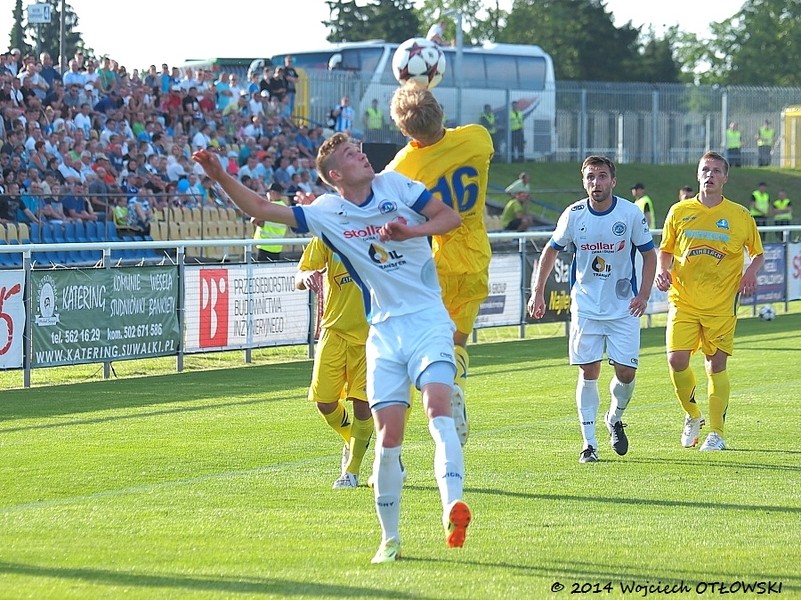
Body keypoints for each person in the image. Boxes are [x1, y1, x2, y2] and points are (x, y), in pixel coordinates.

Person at [194, 132, 470, 564]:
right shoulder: (327, 212)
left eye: (359, 149)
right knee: (388, 437)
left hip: (428, 320)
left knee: (437, 408)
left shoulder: (396, 185)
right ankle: (390, 540)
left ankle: (452, 506)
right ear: (336, 175)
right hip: (384, 332)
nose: (362, 155)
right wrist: (219, 176)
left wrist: (411, 232)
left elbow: (450, 218)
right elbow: (262, 209)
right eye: (350, 154)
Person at [527, 155, 656, 463]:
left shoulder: (630, 213)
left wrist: (643, 295)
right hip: (586, 306)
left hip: (624, 307)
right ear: (584, 181)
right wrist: (537, 292)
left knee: (626, 373)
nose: (596, 183)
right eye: (590, 177)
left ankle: (614, 417)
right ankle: (589, 444)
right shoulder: (574, 214)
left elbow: (650, 255)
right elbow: (550, 251)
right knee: (589, 370)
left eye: (602, 176)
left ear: (613, 181)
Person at [387, 83, 494, 447]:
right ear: (441, 110)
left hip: (438, 262)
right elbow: (456, 140)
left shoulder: (404, 166)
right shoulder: (477, 138)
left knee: (423, 345)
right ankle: (455, 384)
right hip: (476, 254)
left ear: (404, 130)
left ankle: (433, 399)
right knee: (458, 340)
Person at [656, 151, 764, 452]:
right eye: (705, 170)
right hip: (684, 300)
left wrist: (749, 274)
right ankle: (693, 415)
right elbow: (665, 249)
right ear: (698, 174)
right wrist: (662, 270)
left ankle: (716, 433)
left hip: (721, 304)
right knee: (676, 360)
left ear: (725, 177)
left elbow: (758, 254)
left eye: (716, 171)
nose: (710, 175)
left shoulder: (740, 215)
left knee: (715, 365)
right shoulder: (679, 211)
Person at [295, 236, 373, 489]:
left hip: (371, 334)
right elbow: (299, 275)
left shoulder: (378, 230)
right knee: (325, 403)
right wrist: (306, 276)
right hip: (334, 331)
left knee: (363, 404)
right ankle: (354, 439)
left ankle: (352, 471)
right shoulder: (327, 233)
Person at [251, 183, 288, 261]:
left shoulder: (268, 207)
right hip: (277, 247)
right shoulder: (285, 208)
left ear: (272, 193)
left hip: (264, 246)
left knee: (262, 268)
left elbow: (254, 220)